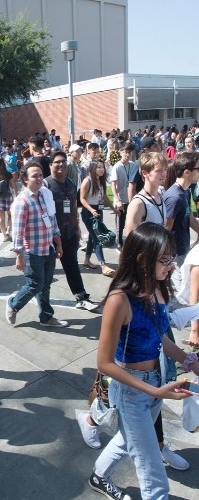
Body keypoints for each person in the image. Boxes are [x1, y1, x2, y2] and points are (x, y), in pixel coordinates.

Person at [87, 222, 199, 500]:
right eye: (164, 259)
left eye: (172, 258)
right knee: (154, 478)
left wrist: (188, 360)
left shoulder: (158, 290)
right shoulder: (119, 300)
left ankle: (98, 477)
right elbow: (104, 363)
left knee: (128, 440)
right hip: (131, 391)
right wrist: (154, 391)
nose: (171, 266)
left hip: (155, 383)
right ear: (141, 259)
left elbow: (160, 337)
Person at [5, 162, 69, 328]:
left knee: (46, 285)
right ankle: (13, 304)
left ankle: (46, 317)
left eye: (40, 175)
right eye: (34, 176)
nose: (39, 178)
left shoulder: (44, 195)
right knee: (35, 284)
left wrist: (58, 244)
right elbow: (17, 231)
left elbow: (52, 221)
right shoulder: (22, 201)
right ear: (25, 179)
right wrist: (19, 255)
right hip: (31, 251)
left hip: (48, 248)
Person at [44, 152, 98, 311]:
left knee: (72, 267)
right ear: (50, 165)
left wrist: (77, 228)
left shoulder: (70, 183)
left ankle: (81, 298)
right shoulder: (46, 185)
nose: (61, 165)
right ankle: (41, 309)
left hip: (69, 235)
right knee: (46, 275)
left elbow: (73, 207)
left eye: (63, 162)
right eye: (57, 162)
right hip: (51, 238)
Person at [163, 152, 199, 292]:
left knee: (186, 290)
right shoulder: (174, 197)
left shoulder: (185, 192)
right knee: (178, 294)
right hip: (174, 254)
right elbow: (166, 229)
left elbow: (188, 217)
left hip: (183, 249)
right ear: (186, 172)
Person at [79, 160, 118, 277]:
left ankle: (87, 260)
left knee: (92, 236)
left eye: (103, 167)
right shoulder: (87, 181)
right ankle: (103, 265)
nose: (102, 169)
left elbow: (104, 197)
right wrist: (91, 210)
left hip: (98, 211)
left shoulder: (100, 181)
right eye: (99, 167)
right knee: (98, 238)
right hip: (88, 212)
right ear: (93, 169)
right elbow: (82, 199)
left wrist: (113, 208)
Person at [110, 144, 138, 249]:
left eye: (129, 152)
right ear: (121, 153)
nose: (127, 154)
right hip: (121, 198)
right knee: (120, 223)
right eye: (125, 152)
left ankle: (129, 240)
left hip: (130, 198)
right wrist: (117, 199)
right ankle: (119, 242)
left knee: (131, 220)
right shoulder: (117, 166)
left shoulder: (133, 164)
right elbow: (113, 184)